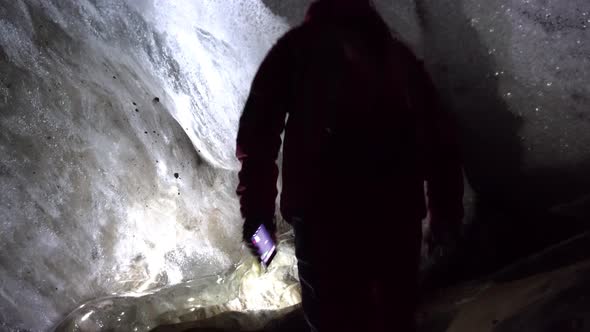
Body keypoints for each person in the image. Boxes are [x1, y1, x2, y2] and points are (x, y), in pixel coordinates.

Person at [235, 0, 464, 331]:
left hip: (324, 221)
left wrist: (257, 218)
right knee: (394, 320)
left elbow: (258, 138)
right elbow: (437, 138)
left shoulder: (296, 51)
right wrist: (446, 215)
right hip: (395, 217)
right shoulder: (395, 56)